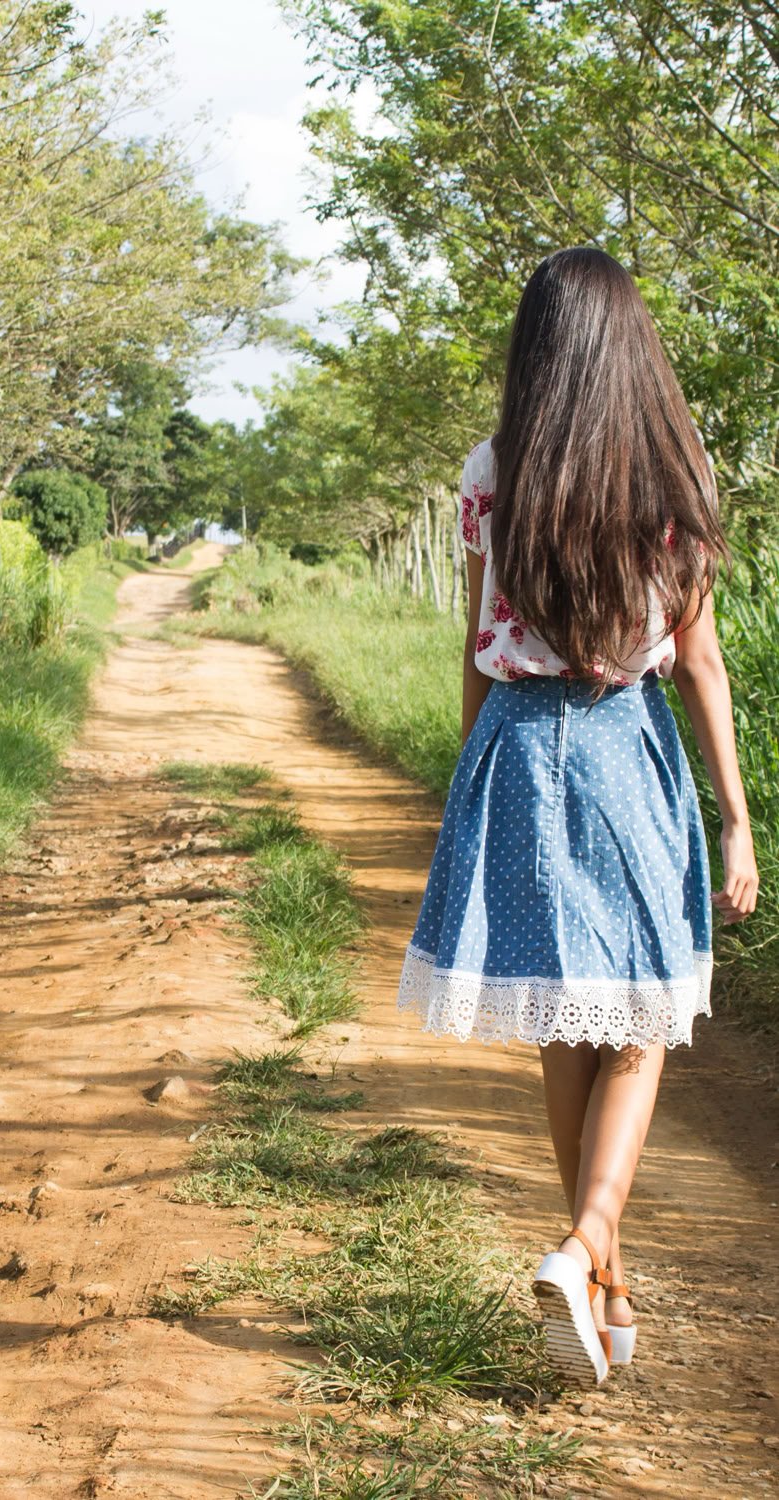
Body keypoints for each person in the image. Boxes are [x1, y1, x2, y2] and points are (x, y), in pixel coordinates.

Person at [396, 247, 758, 1389]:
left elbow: (473, 644)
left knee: (568, 1023)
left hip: (512, 745)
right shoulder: (673, 471)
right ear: (632, 347)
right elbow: (697, 659)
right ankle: (586, 1244)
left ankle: (601, 1278)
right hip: (620, 743)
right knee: (641, 1022)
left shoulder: (495, 467)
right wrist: (737, 818)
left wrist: (468, 783)